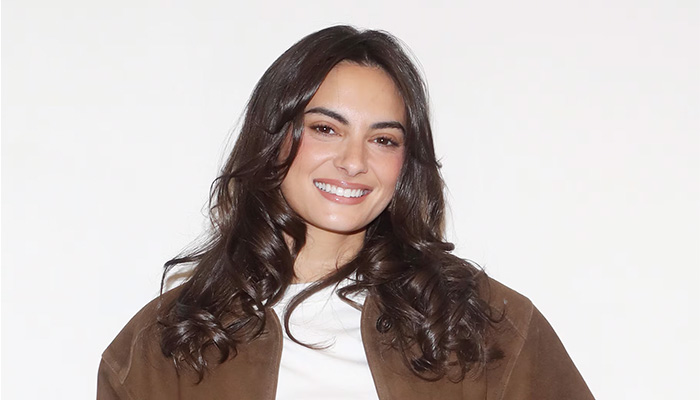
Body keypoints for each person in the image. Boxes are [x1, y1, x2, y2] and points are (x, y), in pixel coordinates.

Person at [97, 25, 594, 399]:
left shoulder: (486, 326)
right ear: (274, 138)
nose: (354, 161)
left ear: (406, 163)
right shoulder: (166, 345)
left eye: (383, 139)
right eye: (325, 129)